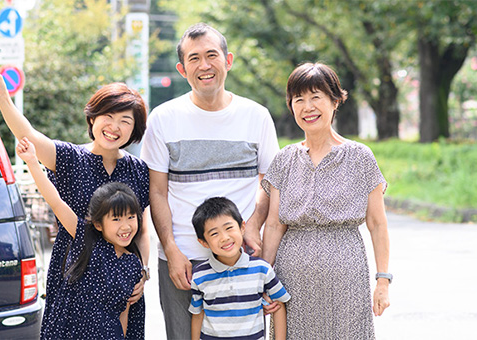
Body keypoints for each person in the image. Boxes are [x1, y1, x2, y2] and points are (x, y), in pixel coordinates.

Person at [0, 71, 150, 339]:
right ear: (93, 118)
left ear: (135, 128)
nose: (114, 127)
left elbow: (141, 230)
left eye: (125, 121)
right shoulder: (71, 158)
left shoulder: (139, 170)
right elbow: (29, 136)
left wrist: (141, 273)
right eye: (108, 116)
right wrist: (3, 98)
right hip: (73, 280)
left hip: (121, 286)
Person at [140, 23, 280, 339]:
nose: (204, 65)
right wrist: (170, 249)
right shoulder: (163, 119)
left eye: (211, 55)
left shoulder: (255, 116)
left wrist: (253, 224)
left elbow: (269, 182)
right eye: (194, 58)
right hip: (184, 262)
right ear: (182, 68)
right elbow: (157, 192)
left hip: (242, 260)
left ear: (228, 60)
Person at [261, 62, 391, 339]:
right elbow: (273, 225)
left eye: (315, 97)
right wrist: (263, 278)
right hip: (292, 280)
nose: (307, 107)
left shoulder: (360, 157)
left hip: (347, 276)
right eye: (299, 99)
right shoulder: (284, 159)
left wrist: (383, 280)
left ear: (335, 101)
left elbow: (378, 224)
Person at [17, 136, 144, 338]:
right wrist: (32, 162)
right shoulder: (86, 240)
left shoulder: (133, 264)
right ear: (98, 224)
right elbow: (57, 203)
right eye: (116, 219)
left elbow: (124, 314)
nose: (126, 226)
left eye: (131, 217)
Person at [189, 197, 291, 340]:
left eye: (229, 228)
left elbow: (279, 305)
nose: (224, 237)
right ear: (203, 242)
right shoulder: (199, 275)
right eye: (214, 233)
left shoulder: (262, 269)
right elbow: (198, 314)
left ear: (242, 227)